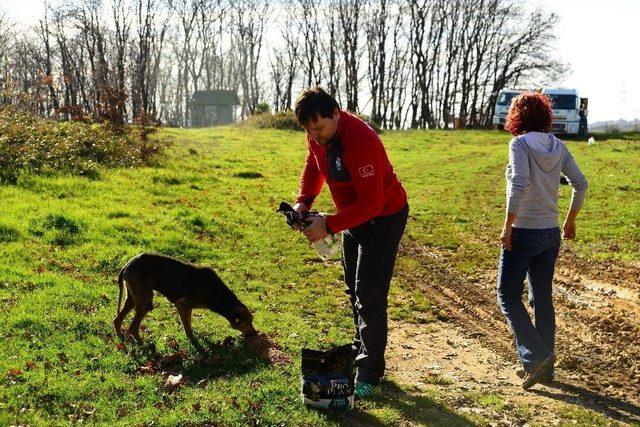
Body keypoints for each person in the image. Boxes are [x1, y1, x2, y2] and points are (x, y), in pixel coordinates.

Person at [292, 87, 408, 398]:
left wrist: (328, 224)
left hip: (384, 218)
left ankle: (370, 372)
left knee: (369, 294)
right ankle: (361, 350)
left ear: (336, 113)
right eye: (308, 130)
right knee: (353, 288)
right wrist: (303, 202)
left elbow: (372, 204)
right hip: (354, 217)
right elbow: (314, 165)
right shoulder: (318, 136)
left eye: (319, 128)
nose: (315, 136)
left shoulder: (361, 140)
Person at [497, 92, 588, 390]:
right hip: (550, 234)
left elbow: (520, 182)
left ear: (517, 117)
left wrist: (508, 225)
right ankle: (545, 370)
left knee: (508, 295)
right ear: (545, 116)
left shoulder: (519, 144)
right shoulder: (558, 146)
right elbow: (581, 183)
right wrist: (570, 219)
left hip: (523, 231)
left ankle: (536, 357)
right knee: (542, 299)